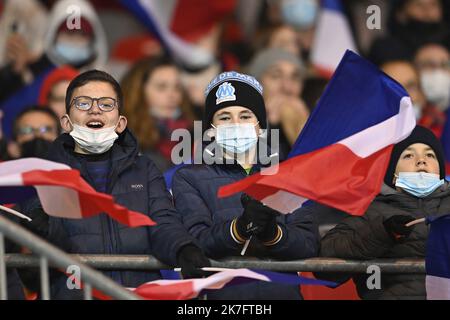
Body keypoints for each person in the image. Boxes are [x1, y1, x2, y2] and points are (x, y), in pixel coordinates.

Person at [19, 70, 209, 299]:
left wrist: (183, 248)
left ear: (120, 123)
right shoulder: (44, 172)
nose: (95, 109)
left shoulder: (144, 169)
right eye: (82, 103)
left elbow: (163, 222)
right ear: (66, 122)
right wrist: (43, 230)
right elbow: (42, 242)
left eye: (107, 104)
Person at [172, 71, 318, 300]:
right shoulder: (189, 177)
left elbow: (308, 244)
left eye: (245, 115)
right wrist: (239, 228)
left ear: (260, 126)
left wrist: (273, 233)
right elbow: (196, 241)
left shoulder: (287, 175)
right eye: (225, 117)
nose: (236, 124)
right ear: (211, 127)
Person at [318, 126, 450, 300]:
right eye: (409, 155)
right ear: (393, 174)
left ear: (440, 170)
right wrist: (383, 233)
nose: (421, 161)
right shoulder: (371, 211)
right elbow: (326, 264)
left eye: (430, 155)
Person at [121, 56, 195, 171]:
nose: (172, 95)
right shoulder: (122, 140)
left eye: (177, 87)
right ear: (138, 92)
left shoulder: (195, 134)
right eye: (161, 87)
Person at [247, 48, 310, 159]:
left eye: (295, 77)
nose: (287, 87)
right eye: (275, 76)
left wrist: (309, 127)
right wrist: (269, 127)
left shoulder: (313, 116)